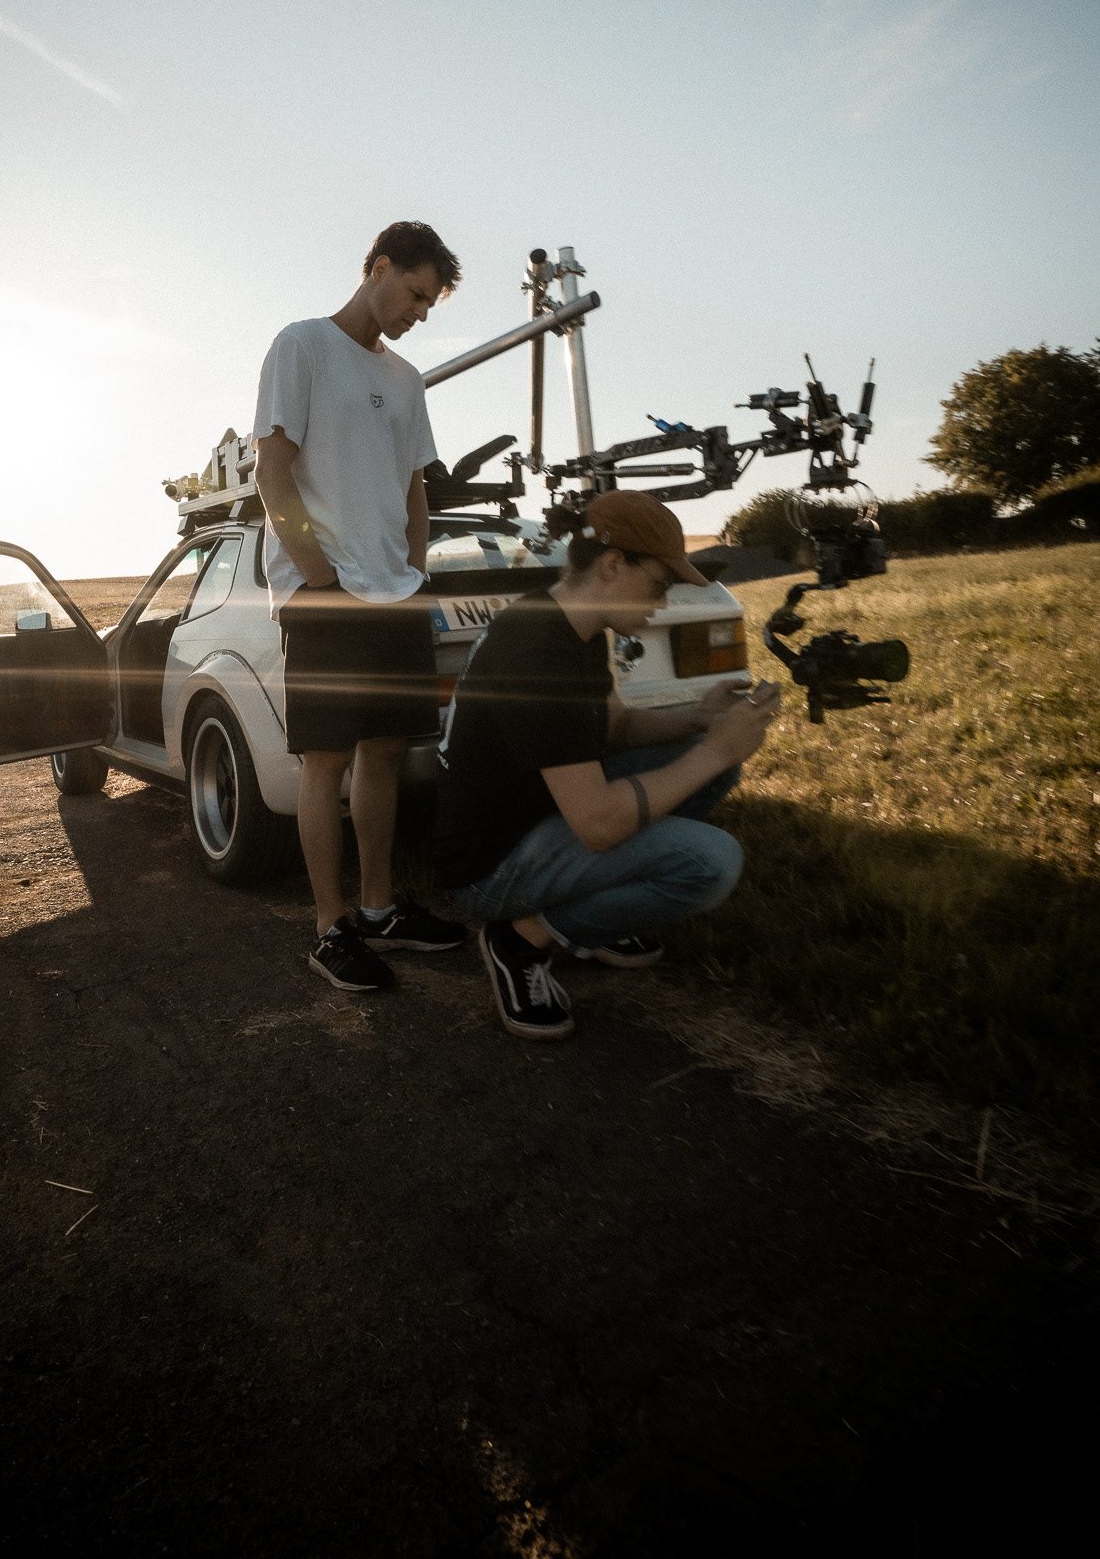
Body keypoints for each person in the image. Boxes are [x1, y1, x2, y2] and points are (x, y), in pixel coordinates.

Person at [432, 490, 780, 1039]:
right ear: (613, 565)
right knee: (711, 861)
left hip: (538, 813)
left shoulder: (575, 625)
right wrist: (718, 748)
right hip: (489, 867)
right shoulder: (536, 651)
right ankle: (520, 939)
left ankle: (596, 915)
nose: (663, 604)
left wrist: (701, 720)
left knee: (714, 766)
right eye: (660, 585)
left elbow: (613, 728)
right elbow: (598, 825)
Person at [252, 221, 470, 991]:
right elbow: (272, 471)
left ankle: (379, 910)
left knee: (384, 752)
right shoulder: (302, 345)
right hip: (325, 594)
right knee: (326, 761)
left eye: (429, 303)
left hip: (394, 592)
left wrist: (413, 573)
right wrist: (319, 578)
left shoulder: (407, 380)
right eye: (414, 293)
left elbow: (413, 488)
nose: (419, 312)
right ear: (377, 268)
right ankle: (329, 928)